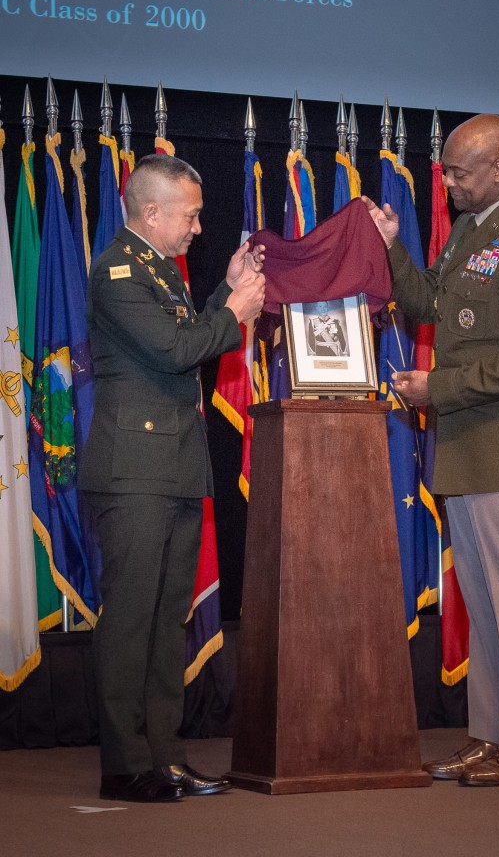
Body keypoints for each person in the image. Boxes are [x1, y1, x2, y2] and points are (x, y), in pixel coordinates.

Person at [363, 114, 499, 787]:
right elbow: (426, 300)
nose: (448, 181)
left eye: (459, 172)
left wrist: (437, 387)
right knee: (485, 613)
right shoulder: (470, 230)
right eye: (446, 170)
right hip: (471, 451)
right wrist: (394, 247)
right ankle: (490, 737)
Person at [78, 154, 265, 803]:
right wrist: (236, 310)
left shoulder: (161, 269)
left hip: (174, 473)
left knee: (164, 624)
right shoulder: (119, 271)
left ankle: (165, 756)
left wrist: (222, 290)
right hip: (135, 476)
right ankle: (126, 766)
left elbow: (188, 336)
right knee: (132, 622)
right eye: (189, 215)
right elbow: (176, 349)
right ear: (150, 213)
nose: (196, 226)